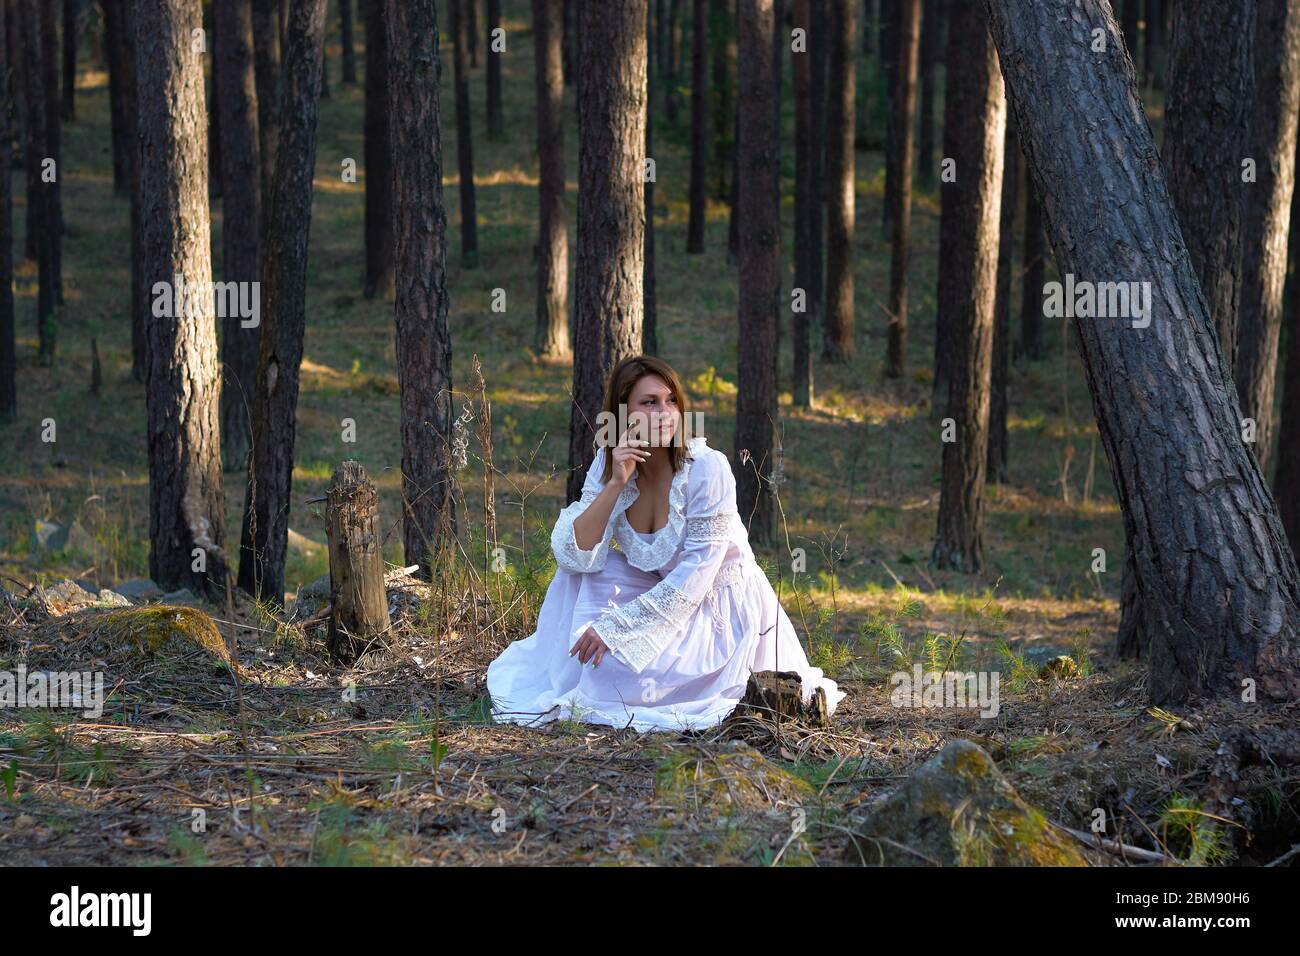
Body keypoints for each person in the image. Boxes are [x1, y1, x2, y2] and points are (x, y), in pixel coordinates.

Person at [487, 355, 845, 731]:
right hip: (664, 595)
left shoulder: (707, 468)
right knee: (577, 574)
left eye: (671, 400)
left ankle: (603, 679)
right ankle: (575, 675)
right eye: (649, 402)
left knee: (611, 674)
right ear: (623, 413)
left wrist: (619, 629)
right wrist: (615, 483)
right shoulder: (611, 462)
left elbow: (696, 577)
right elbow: (573, 553)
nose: (665, 412)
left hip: (720, 613)